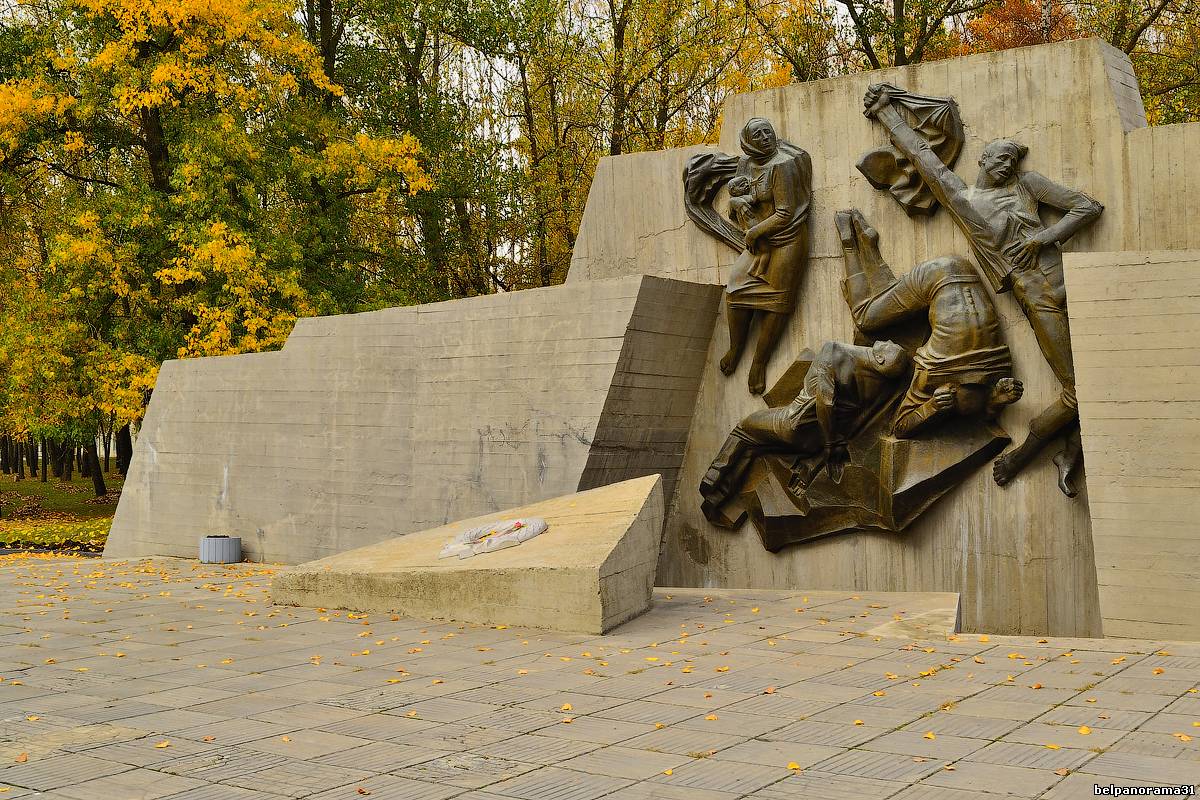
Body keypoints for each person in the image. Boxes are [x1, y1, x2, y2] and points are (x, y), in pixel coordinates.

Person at [863, 84, 1103, 496]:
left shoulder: (1027, 186)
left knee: (1094, 383)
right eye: (1001, 157)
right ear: (983, 159)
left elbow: (1087, 207)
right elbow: (924, 158)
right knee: (1081, 390)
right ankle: (1032, 452)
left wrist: (1043, 238)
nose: (1008, 165)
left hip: (1076, 285)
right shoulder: (965, 200)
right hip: (1037, 297)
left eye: (1013, 160)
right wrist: (886, 113)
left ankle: (1069, 450)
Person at [836, 209, 1023, 439]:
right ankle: (849, 246)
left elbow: (901, 427)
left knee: (891, 311)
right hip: (937, 277)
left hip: (962, 271)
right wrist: (995, 401)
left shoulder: (991, 373)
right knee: (865, 317)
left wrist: (933, 406)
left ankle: (864, 245)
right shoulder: (931, 375)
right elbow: (901, 427)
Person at [700, 339, 908, 526]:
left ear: (880, 359)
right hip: (815, 441)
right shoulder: (882, 383)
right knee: (755, 447)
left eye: (891, 345)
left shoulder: (833, 353)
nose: (889, 340)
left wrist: (829, 447)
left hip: (795, 427)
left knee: (744, 428)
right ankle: (717, 499)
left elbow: (825, 404)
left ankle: (712, 477)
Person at [683, 118, 812, 395]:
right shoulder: (745, 164)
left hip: (786, 240)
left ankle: (759, 362)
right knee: (735, 290)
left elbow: (786, 213)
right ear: (748, 141)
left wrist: (753, 233)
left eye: (768, 131)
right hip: (757, 242)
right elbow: (738, 197)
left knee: (777, 304)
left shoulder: (782, 165)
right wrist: (736, 203)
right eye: (758, 134)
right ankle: (736, 347)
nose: (765, 137)